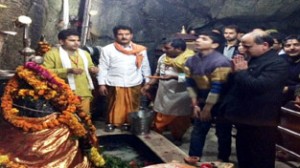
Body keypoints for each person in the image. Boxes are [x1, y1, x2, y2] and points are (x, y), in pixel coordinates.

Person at [220, 30, 289, 168]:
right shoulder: (252, 58)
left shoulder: (277, 64)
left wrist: (241, 72)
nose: (243, 49)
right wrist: (233, 73)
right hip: (245, 119)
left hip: (261, 121)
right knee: (244, 157)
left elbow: (258, 86)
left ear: (264, 45)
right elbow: (237, 86)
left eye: (247, 46)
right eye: (242, 45)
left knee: (260, 159)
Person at [184, 31, 232, 161]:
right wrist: (195, 104)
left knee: (223, 132)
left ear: (215, 44)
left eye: (204, 38)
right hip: (202, 99)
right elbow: (189, 83)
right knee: (198, 129)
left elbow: (218, 87)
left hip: (222, 101)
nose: (198, 40)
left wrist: (207, 108)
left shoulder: (221, 61)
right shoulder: (190, 60)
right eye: (198, 37)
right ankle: (194, 156)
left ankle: (223, 159)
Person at [141, 38, 194, 144]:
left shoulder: (190, 60)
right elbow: (157, 73)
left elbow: (191, 78)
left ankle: (177, 137)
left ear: (178, 49)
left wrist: (173, 76)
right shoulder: (163, 57)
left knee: (179, 119)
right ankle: (157, 136)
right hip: (164, 92)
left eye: (167, 48)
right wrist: (149, 84)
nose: (163, 50)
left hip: (181, 95)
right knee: (160, 115)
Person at [97, 25, 151, 127]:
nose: (124, 37)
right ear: (115, 36)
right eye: (120, 34)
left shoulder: (140, 49)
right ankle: (114, 125)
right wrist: (101, 84)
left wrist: (147, 83)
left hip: (134, 82)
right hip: (114, 82)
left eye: (127, 34)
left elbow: (145, 67)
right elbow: (103, 67)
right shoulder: (107, 49)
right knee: (114, 106)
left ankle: (130, 124)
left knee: (133, 106)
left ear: (131, 35)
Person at [43, 29, 98, 115]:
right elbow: (44, 72)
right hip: (62, 93)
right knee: (66, 119)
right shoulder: (52, 54)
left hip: (83, 91)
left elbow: (90, 66)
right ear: (61, 41)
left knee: (84, 118)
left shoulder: (84, 54)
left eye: (78, 40)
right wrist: (68, 70)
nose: (76, 43)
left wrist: (93, 69)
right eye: (72, 40)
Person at [281, 35, 300, 105]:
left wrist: (288, 89)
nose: (292, 48)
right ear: (283, 48)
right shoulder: (279, 59)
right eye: (288, 45)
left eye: (296, 45)